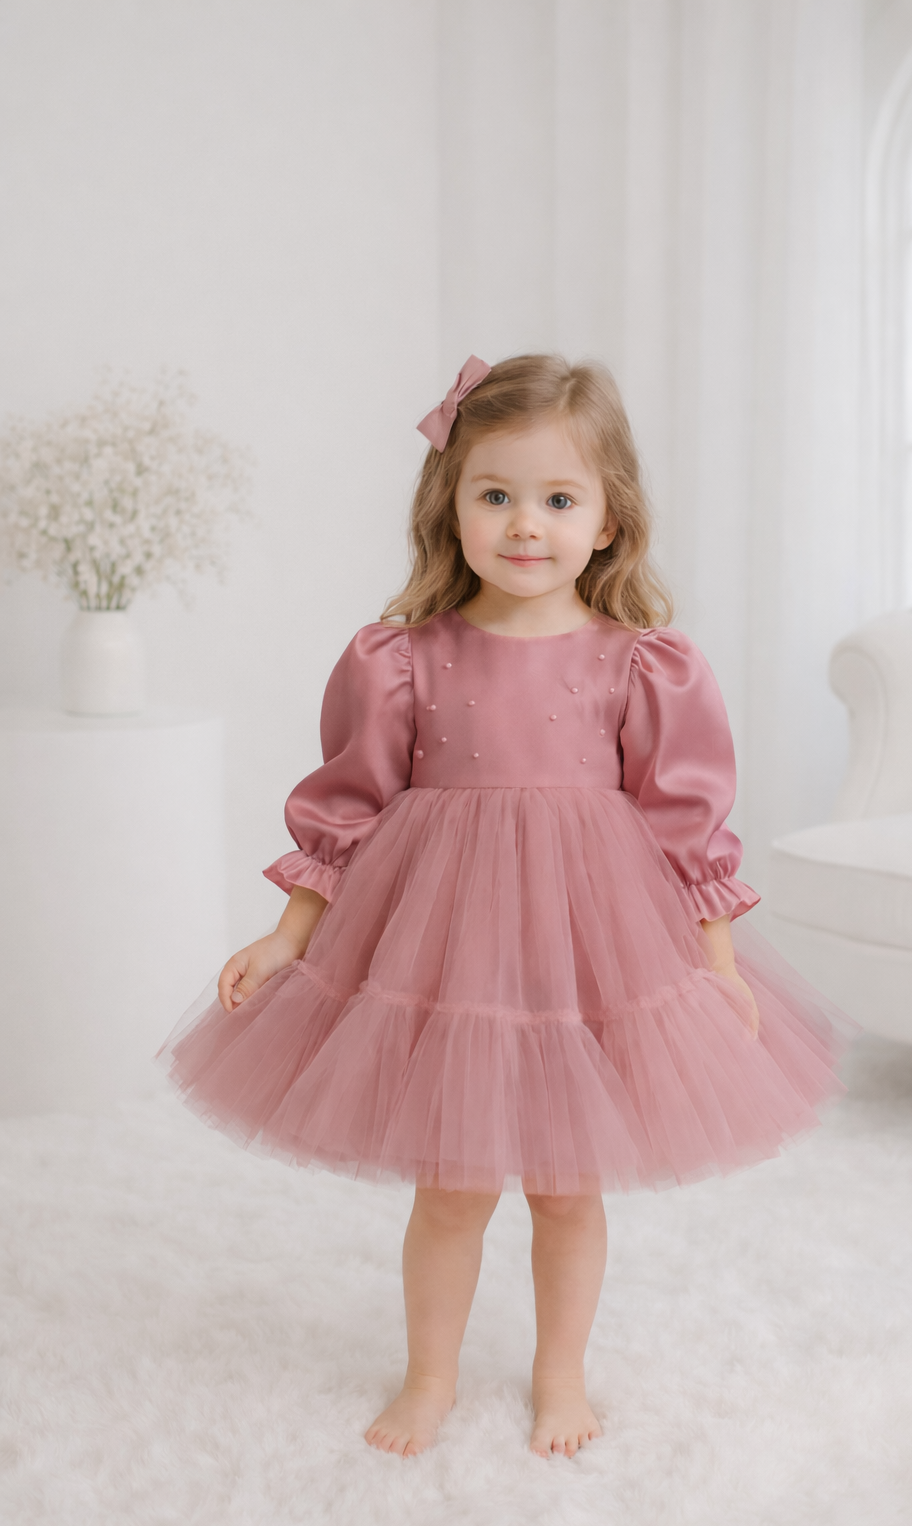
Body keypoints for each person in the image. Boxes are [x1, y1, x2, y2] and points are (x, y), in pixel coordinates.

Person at [160, 353, 855, 1461]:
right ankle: (429, 1377)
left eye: (558, 499)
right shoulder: (400, 658)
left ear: (609, 521)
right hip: (445, 947)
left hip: (591, 951)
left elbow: (685, 828)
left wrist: (716, 966)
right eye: (496, 494)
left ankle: (559, 1375)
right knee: (452, 1188)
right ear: (451, 505)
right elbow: (348, 806)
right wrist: (289, 937)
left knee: (569, 1192)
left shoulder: (645, 664)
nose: (526, 524)